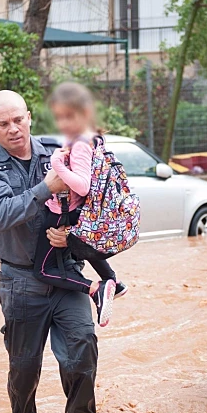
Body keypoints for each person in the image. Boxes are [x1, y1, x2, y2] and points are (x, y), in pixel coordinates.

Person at [0, 90, 108, 413]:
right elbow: (0, 214)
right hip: (20, 281)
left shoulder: (58, 151)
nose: (13, 129)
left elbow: (92, 202)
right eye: (3, 123)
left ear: (29, 116)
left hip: (66, 274)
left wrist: (74, 235)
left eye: (18, 119)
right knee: (24, 365)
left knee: (82, 342)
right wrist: (47, 187)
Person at [32, 82, 128, 328]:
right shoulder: (94, 139)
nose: (63, 124)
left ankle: (95, 288)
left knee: (42, 271)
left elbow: (83, 186)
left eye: (69, 117)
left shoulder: (79, 145)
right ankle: (113, 282)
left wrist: (58, 165)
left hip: (60, 213)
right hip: (76, 212)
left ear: (85, 114)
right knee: (82, 247)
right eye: (59, 118)